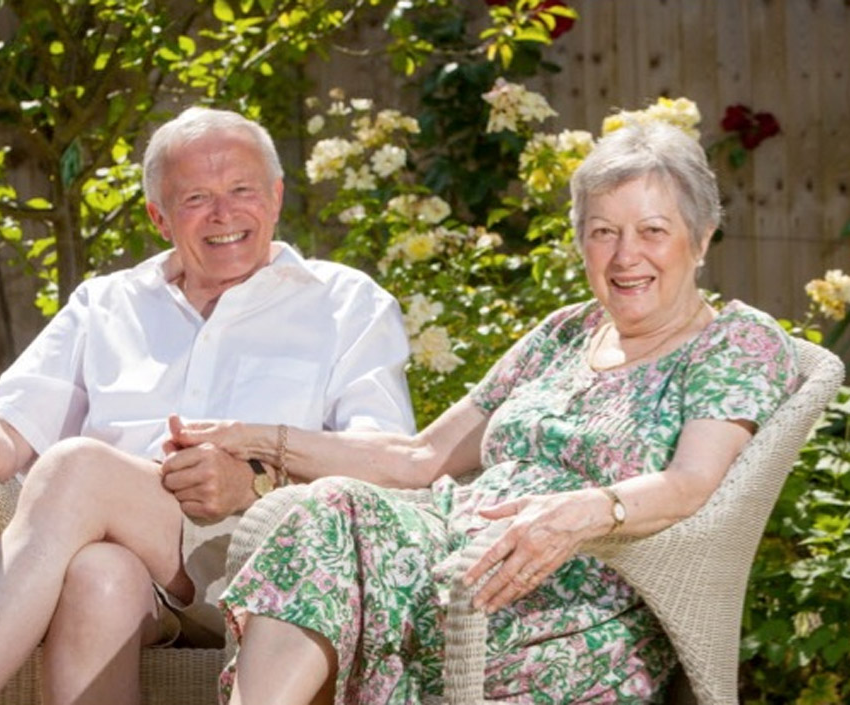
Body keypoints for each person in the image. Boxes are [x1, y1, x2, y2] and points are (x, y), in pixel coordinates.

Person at [171, 120, 800, 704]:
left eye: (652, 231)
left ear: (702, 237)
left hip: (567, 588)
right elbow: (422, 457)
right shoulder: (565, 332)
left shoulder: (733, 342)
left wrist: (587, 510)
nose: (625, 255)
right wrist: (253, 437)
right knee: (322, 509)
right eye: (603, 232)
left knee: (328, 544)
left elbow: (692, 483)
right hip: (445, 553)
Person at [0, 107, 415, 705]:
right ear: (159, 216)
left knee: (78, 465)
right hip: (140, 577)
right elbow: (8, 419)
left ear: (276, 197)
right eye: (197, 197)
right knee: (99, 575)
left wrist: (257, 481)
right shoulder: (107, 305)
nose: (224, 213)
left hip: (275, 572)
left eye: (242, 190)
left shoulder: (346, 303)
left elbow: (389, 469)